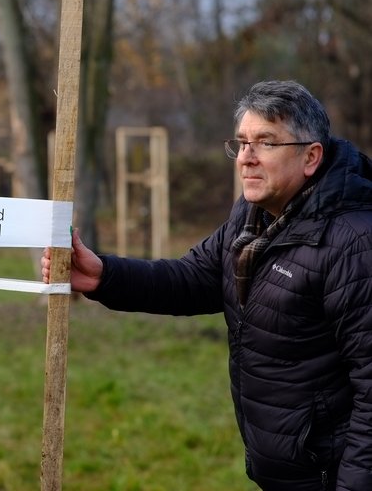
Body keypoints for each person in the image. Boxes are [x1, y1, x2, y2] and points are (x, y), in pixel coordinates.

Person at [42, 81, 372, 491]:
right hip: (286, 469)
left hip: (330, 476)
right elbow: (193, 278)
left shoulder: (354, 243)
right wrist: (103, 275)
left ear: (311, 156)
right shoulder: (253, 216)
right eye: (241, 144)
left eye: (265, 143)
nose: (246, 159)